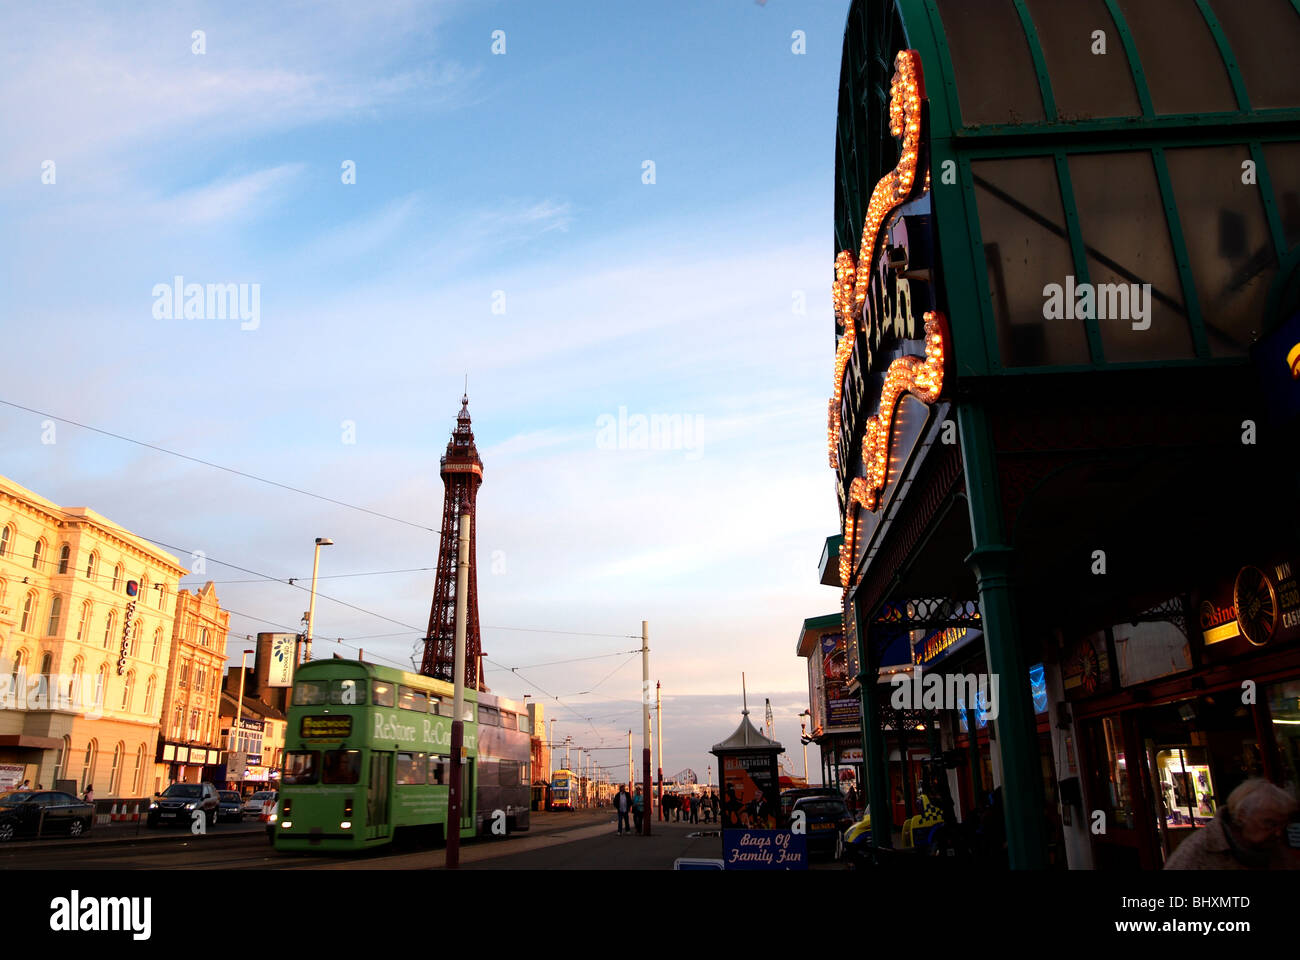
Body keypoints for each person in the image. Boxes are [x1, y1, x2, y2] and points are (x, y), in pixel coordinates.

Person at [1164, 779, 1299, 870]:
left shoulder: (1273, 847)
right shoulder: (1197, 852)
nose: (1278, 833)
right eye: (1269, 823)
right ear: (1241, 816)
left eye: (1282, 825)